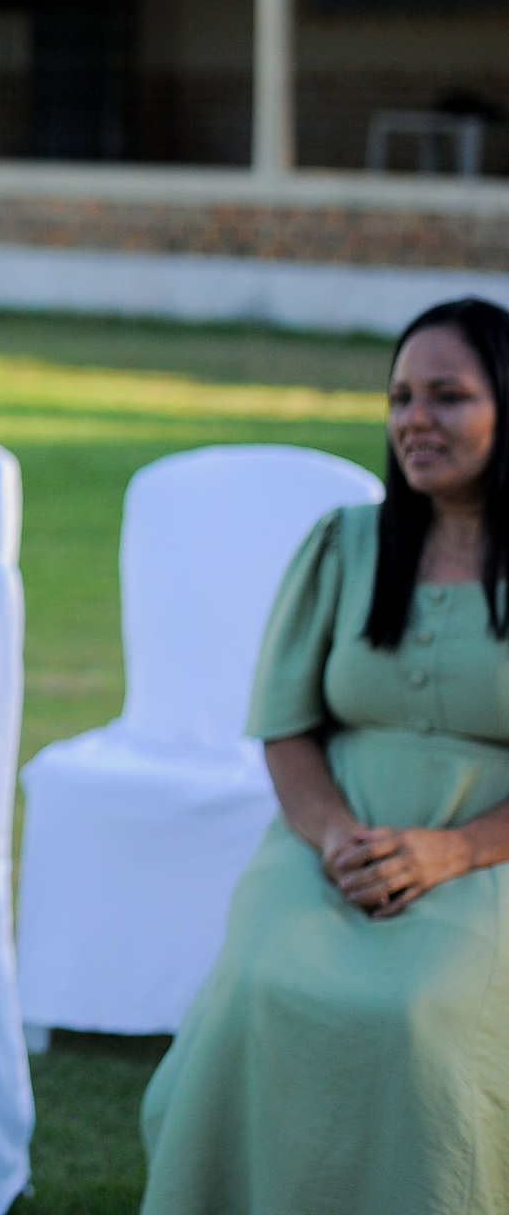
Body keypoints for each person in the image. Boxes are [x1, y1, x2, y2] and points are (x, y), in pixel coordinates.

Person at [139, 296, 509, 1214]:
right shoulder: (345, 546)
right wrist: (335, 836)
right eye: (399, 398)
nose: (415, 420)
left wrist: (453, 851)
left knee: (423, 1020)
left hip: (490, 852)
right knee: (261, 985)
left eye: (448, 396)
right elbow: (287, 728)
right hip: (330, 842)